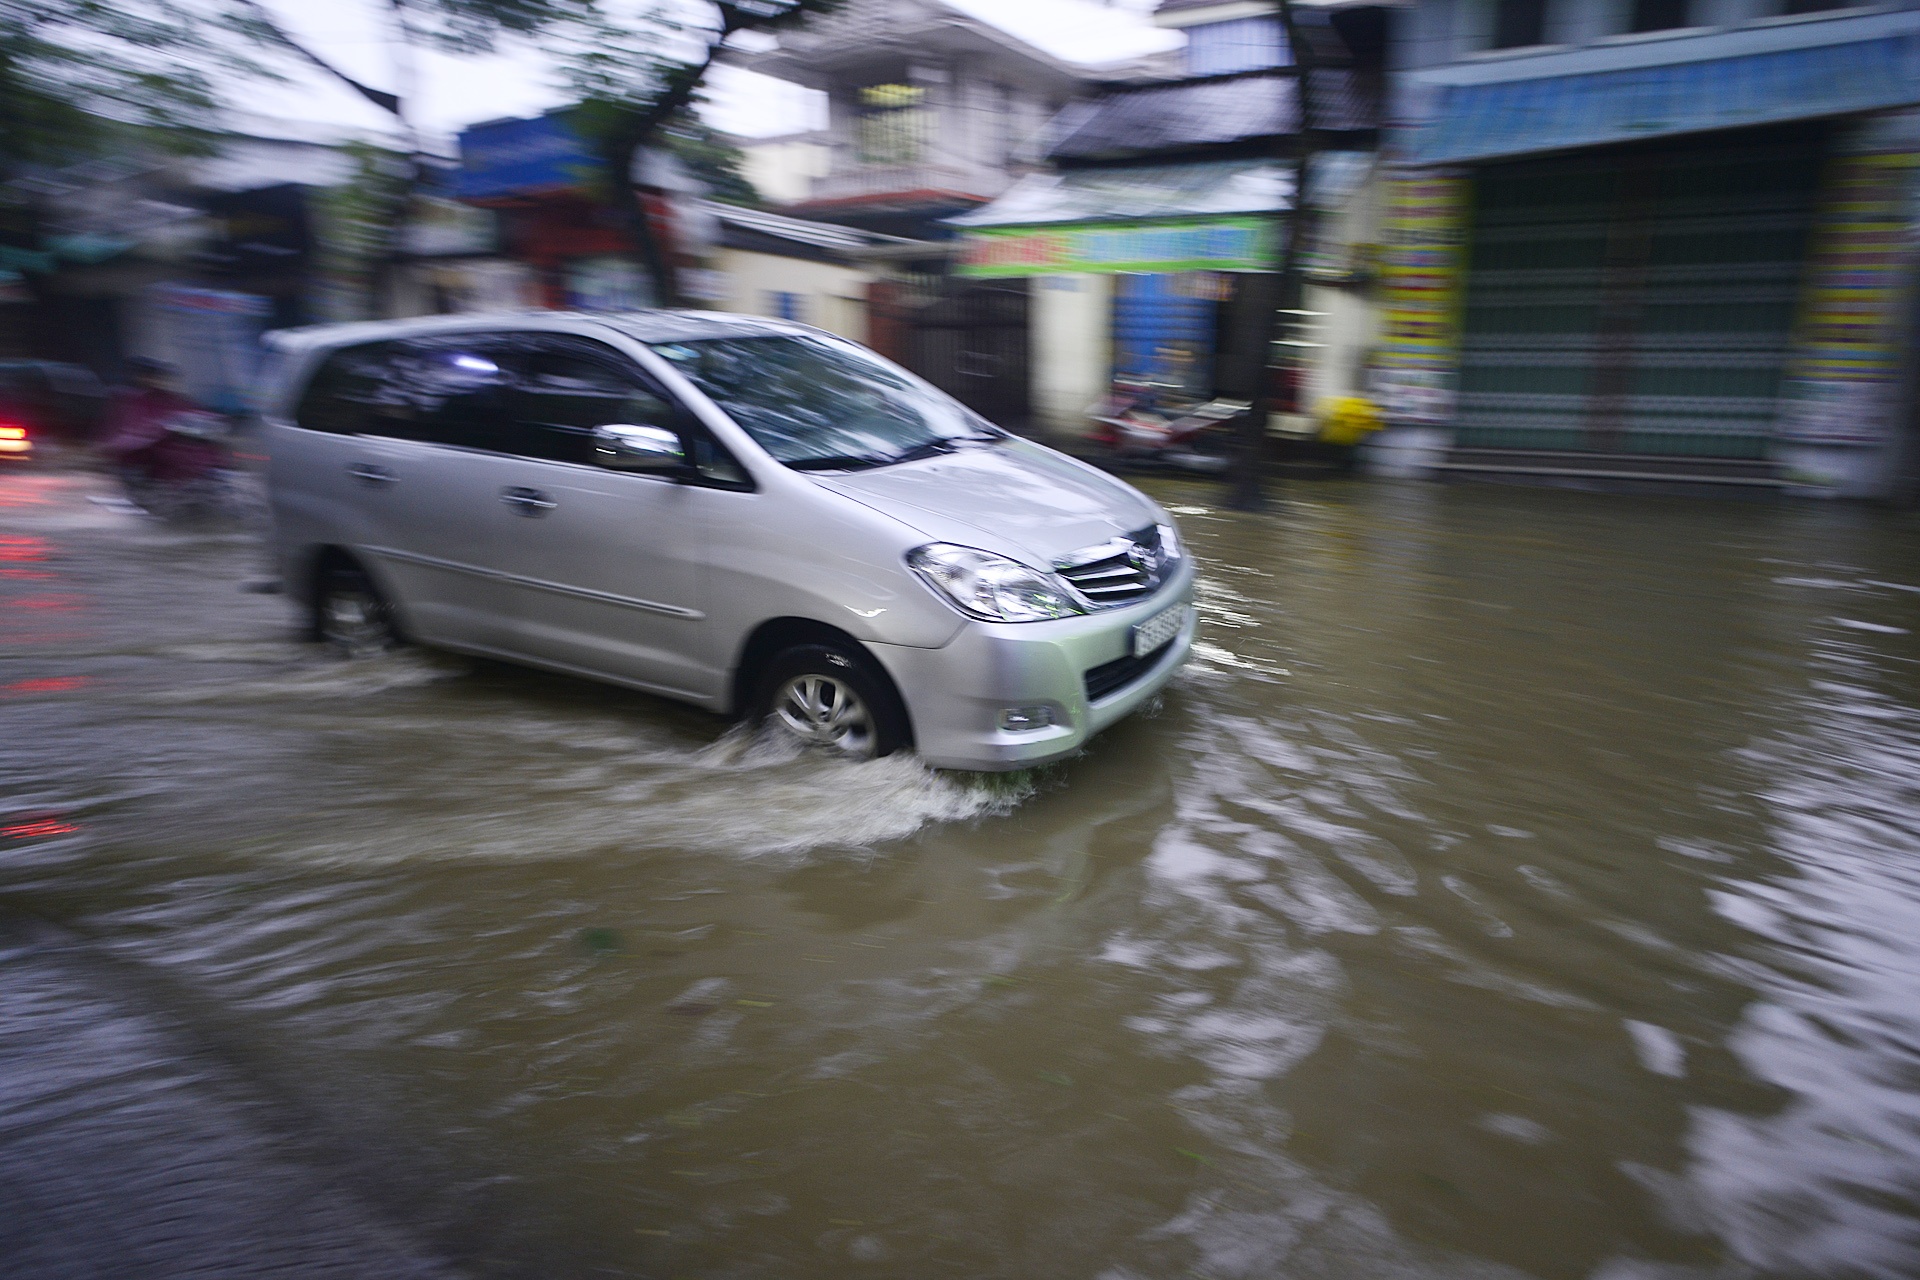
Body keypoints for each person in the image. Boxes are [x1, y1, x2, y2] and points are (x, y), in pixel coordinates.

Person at [99, 357, 220, 488]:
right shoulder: (129, 398)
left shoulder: (175, 401)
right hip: (141, 462)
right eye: (150, 376)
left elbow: (202, 418)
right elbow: (127, 432)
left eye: (157, 377)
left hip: (178, 462)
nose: (156, 381)